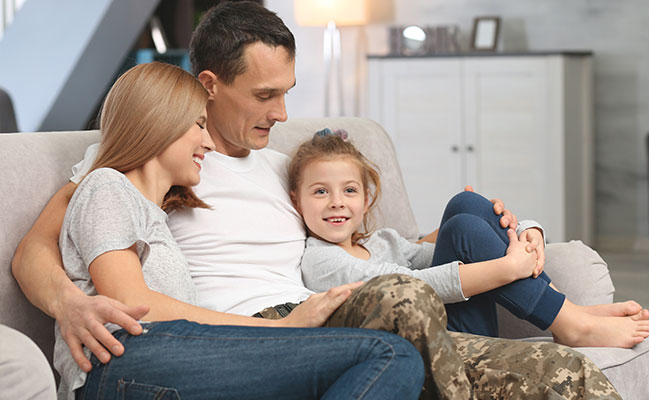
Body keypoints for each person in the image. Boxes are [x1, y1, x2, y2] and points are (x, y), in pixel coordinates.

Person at [13, 2, 622, 399]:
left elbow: (373, 245)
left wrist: (511, 224)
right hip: (243, 332)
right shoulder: (140, 162)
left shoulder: (287, 168)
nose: (283, 114)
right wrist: (68, 302)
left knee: (566, 376)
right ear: (208, 88)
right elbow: (39, 249)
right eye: (265, 95)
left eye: (288, 93)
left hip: (320, 311)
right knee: (400, 304)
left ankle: (562, 327)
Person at [53, 61, 426, 399]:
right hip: (121, 360)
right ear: (159, 122)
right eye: (199, 125)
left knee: (384, 357)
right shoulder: (106, 185)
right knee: (388, 354)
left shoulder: (157, 216)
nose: (208, 141)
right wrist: (285, 327)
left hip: (166, 356)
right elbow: (134, 302)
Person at [290, 130, 649, 348]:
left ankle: (566, 312)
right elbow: (412, 285)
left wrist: (528, 228)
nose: (336, 201)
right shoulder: (319, 261)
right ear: (296, 200)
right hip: (433, 346)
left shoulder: (381, 241)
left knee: (465, 206)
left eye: (348, 190)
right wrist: (508, 266)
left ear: (366, 198)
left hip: (452, 327)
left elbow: (457, 244)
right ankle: (571, 322)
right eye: (320, 192)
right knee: (463, 228)